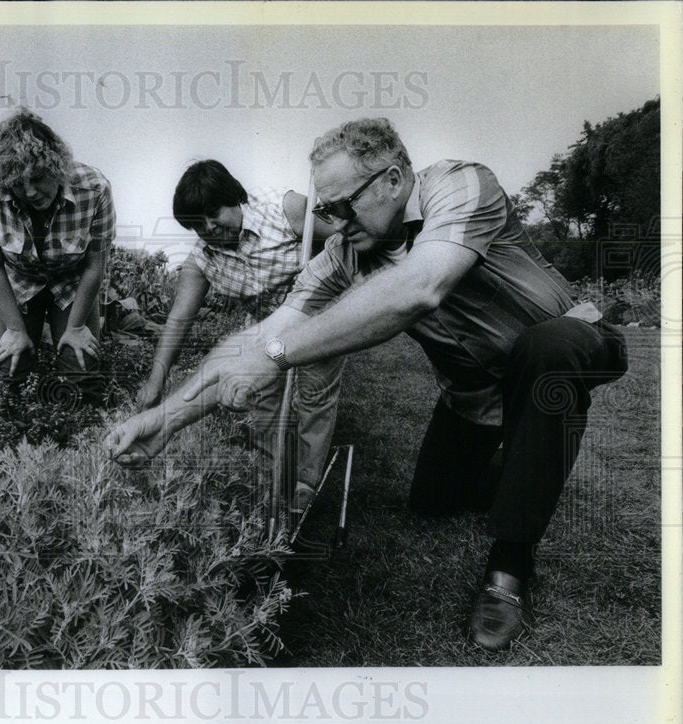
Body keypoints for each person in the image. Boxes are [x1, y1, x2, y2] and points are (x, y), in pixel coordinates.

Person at [105, 117, 627, 651]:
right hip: (473, 389)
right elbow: (261, 335)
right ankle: (524, 460)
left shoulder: (461, 184)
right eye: (324, 210)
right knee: (432, 502)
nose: (332, 222)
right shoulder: (342, 255)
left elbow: (417, 288)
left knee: (546, 350)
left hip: (569, 341)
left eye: (341, 206)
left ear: (393, 180)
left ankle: (510, 568)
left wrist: (278, 357)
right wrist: (164, 418)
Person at [137, 160, 343, 511]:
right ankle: (267, 480)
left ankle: (305, 485)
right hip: (264, 330)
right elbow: (177, 321)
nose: (208, 227)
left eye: (212, 213)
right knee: (262, 400)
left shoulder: (286, 211)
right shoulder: (202, 260)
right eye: (196, 224)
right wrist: (157, 378)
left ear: (233, 198)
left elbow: (344, 235)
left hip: (315, 320)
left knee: (313, 396)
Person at [0, 107, 115, 404]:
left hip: (72, 281)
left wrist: (75, 328)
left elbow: (94, 266)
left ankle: (80, 438)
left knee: (81, 367)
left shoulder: (95, 188)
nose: (30, 191)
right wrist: (14, 330)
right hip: (17, 282)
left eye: (37, 178)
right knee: (9, 366)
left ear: (56, 166)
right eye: (18, 184)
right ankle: (13, 438)